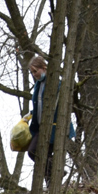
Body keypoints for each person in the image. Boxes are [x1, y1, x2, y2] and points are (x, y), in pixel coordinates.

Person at [26, 55, 75, 185]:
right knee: (36, 153)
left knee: (36, 152)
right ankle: (52, 178)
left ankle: (54, 175)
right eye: (32, 72)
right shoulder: (38, 85)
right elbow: (40, 105)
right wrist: (31, 114)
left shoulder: (55, 84)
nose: (34, 74)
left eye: (35, 71)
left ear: (44, 68)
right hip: (41, 127)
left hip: (55, 127)